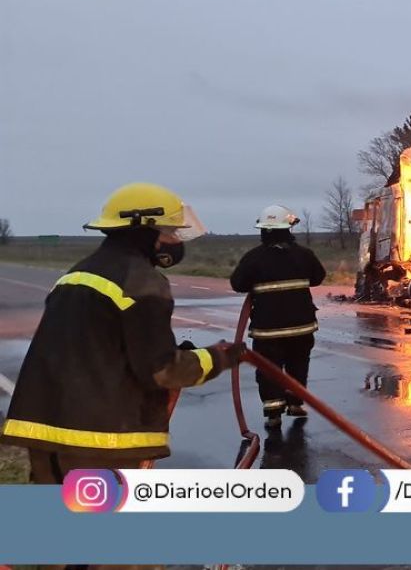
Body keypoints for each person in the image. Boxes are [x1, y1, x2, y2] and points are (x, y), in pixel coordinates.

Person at [0, 183, 244, 483]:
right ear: (143, 229)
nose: (174, 240)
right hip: (99, 441)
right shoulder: (141, 281)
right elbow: (163, 371)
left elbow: (101, 347)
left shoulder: (79, 272)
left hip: (47, 435)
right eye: (169, 231)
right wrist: (217, 358)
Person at [230, 205, 326, 428]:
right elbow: (318, 277)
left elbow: (238, 284)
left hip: (268, 330)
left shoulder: (254, 258)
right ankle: (295, 404)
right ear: (288, 228)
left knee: (269, 369)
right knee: (298, 365)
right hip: (302, 327)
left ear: (263, 230)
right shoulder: (304, 255)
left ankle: (273, 413)